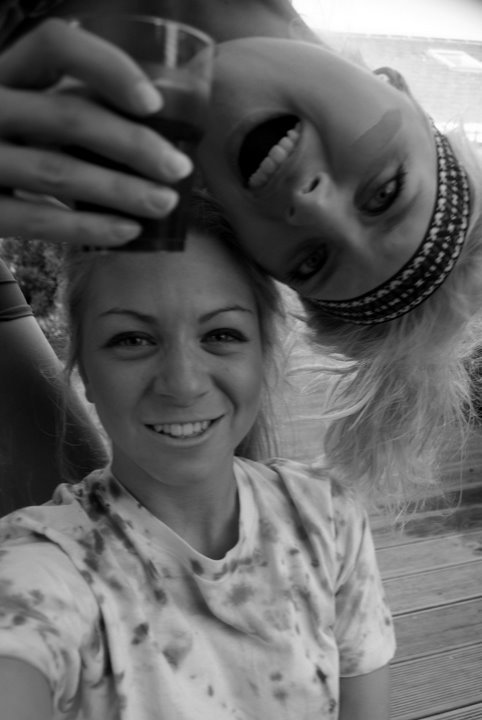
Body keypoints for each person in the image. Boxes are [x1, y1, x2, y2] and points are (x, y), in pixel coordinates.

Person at [0, 0, 480, 505]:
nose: (311, 203)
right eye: (384, 194)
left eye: (312, 260)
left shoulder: (68, 152)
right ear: (400, 90)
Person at [0, 194, 395, 720]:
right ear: (85, 372)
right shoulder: (44, 567)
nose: (183, 384)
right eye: (133, 339)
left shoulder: (328, 519)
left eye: (221, 334)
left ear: (263, 356)